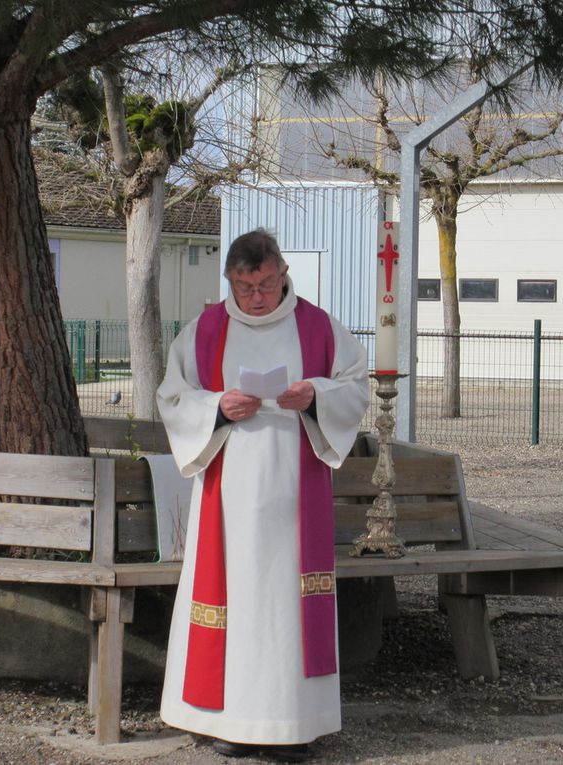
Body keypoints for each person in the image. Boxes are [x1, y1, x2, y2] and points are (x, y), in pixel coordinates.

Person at [156, 229, 370, 762]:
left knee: (283, 609)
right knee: (237, 602)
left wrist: (314, 394)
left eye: (267, 284)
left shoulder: (318, 327)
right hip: (227, 497)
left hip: (295, 497)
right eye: (246, 286)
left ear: (283, 274)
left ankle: (292, 725)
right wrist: (217, 407)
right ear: (229, 280)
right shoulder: (205, 330)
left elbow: (355, 385)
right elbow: (173, 395)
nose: (257, 296)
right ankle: (226, 718)